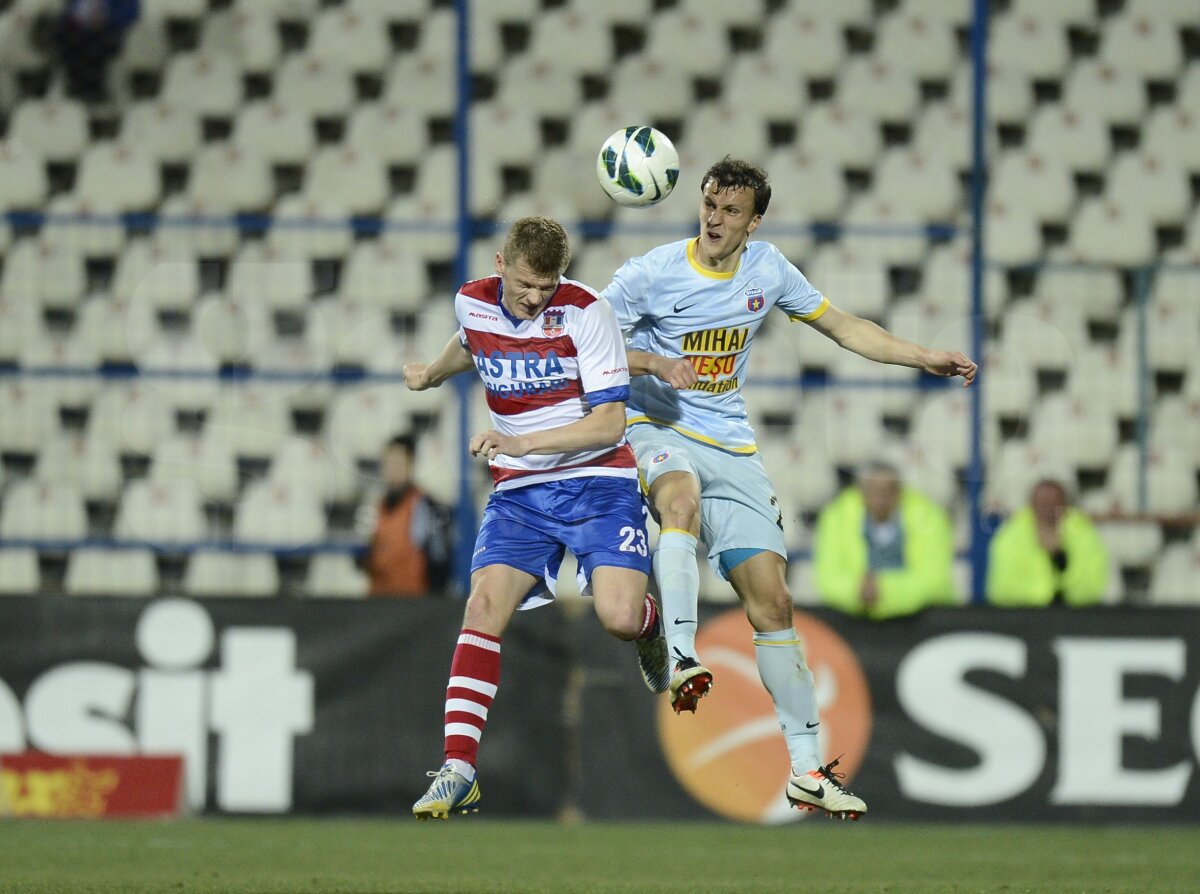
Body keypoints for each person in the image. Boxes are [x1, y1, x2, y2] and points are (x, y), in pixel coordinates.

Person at [605, 156, 978, 819]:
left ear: (754, 221)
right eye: (709, 206)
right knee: (679, 500)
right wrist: (655, 361)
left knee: (773, 602)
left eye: (730, 211)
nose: (715, 220)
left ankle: (807, 771)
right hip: (656, 423)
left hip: (732, 443)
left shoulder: (768, 269)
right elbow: (589, 341)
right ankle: (682, 653)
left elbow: (844, 327)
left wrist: (923, 355)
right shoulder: (651, 274)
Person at [402, 216, 670, 820]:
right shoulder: (472, 302)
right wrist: (429, 376)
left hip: (597, 480)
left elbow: (609, 425)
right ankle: (459, 767)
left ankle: (653, 627)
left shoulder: (586, 312)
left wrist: (526, 443)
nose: (534, 298)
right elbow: (470, 342)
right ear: (501, 263)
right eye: (525, 284)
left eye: (546, 287)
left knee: (619, 617)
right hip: (521, 495)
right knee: (482, 607)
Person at [814, 462, 956, 620]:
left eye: (889, 490)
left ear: (900, 491)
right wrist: (856, 591)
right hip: (855, 621)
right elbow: (829, 580)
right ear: (862, 491)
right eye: (874, 490)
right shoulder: (837, 517)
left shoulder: (929, 517)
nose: (881, 497)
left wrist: (882, 591)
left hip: (919, 620)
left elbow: (934, 582)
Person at [357, 433, 454, 598]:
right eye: (388, 463)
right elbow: (360, 555)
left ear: (411, 465)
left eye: (398, 463)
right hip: (377, 603)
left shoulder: (425, 507)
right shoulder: (373, 506)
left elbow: (440, 560)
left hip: (412, 606)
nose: (392, 469)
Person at [986, 478, 1108, 607]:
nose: (1048, 509)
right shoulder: (1010, 535)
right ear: (1031, 505)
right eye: (1043, 503)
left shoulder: (1083, 532)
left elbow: (1092, 589)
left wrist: (1059, 557)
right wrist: (1048, 597)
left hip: (1074, 615)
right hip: (1025, 615)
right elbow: (1002, 590)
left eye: (1054, 503)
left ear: (1066, 506)